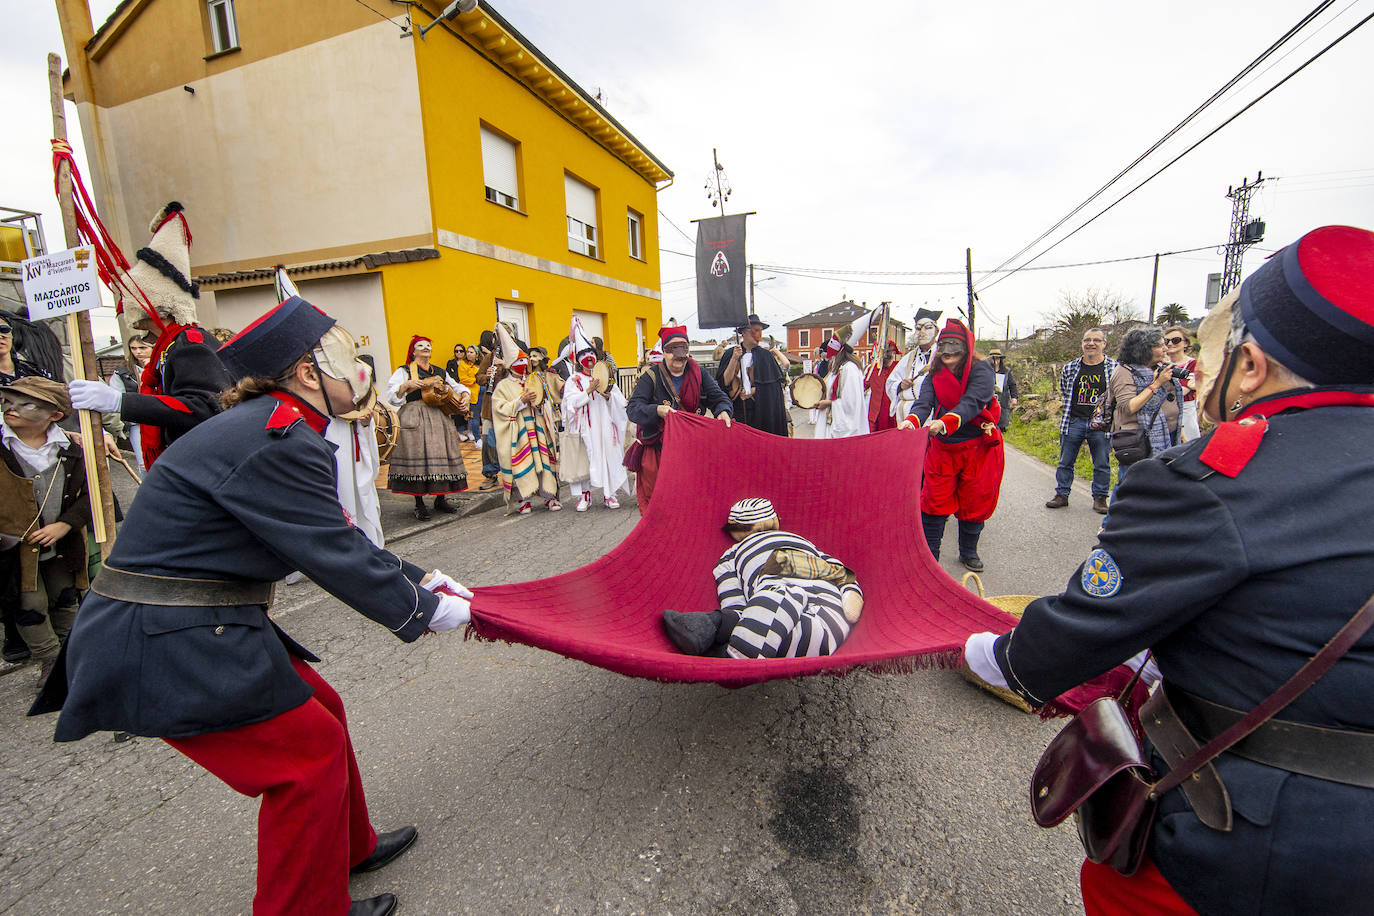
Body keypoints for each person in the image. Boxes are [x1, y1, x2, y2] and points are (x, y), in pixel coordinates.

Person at [963, 224, 1374, 916]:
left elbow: (1058, 645)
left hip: (1244, 854)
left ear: (1251, 367)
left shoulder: (1210, 480)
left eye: (1215, 353)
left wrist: (981, 647)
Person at [33, 296, 474, 916]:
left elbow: (332, 535)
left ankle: (345, 848)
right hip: (165, 632)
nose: (362, 367)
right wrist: (424, 610)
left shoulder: (283, 423)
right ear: (307, 373)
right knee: (303, 760)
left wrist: (424, 579)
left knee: (326, 708)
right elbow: (329, 550)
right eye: (346, 357)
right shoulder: (280, 436)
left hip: (199, 617)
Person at [67, 203, 234, 470]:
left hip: (206, 462)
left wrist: (119, 401)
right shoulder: (169, 345)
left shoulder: (190, 344)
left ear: (155, 301)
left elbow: (204, 407)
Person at [661, 498, 862, 658]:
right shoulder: (732, 554)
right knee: (772, 601)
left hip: (823, 618)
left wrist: (850, 592)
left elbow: (837, 568)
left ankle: (729, 652)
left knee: (783, 594)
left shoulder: (798, 540)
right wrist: (733, 617)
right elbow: (731, 589)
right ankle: (712, 628)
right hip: (778, 633)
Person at [0, 378, 92, 693]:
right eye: (8, 400)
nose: (11, 408)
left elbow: (92, 494)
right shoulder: (3, 446)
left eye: (26, 403)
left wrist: (65, 524)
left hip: (60, 543)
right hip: (12, 550)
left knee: (64, 597)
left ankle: (70, 656)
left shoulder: (72, 450)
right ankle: (49, 660)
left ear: (53, 415)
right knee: (29, 603)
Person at [898, 319, 1004, 572]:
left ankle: (968, 551)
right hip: (944, 447)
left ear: (965, 347)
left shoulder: (982, 370)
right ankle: (929, 557)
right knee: (933, 501)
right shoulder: (935, 373)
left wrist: (944, 422)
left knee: (975, 501)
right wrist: (911, 422)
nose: (947, 352)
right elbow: (924, 402)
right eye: (943, 346)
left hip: (978, 446)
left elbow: (972, 402)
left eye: (953, 345)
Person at [625, 324, 733, 509]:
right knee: (659, 508)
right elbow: (633, 409)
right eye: (672, 351)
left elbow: (719, 398)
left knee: (692, 505)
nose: (678, 359)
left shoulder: (699, 373)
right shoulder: (650, 377)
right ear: (664, 352)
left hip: (691, 451)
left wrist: (723, 411)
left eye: (682, 353)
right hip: (659, 452)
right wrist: (657, 410)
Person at [384, 335, 468, 520]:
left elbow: (457, 386)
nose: (425, 348)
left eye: (428, 346)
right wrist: (407, 384)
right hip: (414, 416)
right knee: (417, 457)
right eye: (420, 345)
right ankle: (419, 503)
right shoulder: (405, 370)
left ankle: (440, 499)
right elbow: (391, 394)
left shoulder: (439, 371)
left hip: (438, 416)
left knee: (441, 455)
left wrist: (465, 396)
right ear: (413, 351)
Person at [1046, 327, 1116, 514]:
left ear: (1104, 344)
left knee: (1101, 462)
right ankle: (1062, 494)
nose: (1091, 343)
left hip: (1101, 424)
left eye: (1096, 340)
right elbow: (1064, 390)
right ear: (1082, 343)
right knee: (1065, 461)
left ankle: (1100, 498)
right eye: (1087, 340)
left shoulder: (1113, 368)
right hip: (1074, 421)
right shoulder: (1070, 367)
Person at [491, 331, 561, 515]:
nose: (523, 364)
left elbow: (545, 402)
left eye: (525, 361)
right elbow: (499, 409)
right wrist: (520, 401)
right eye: (518, 362)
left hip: (537, 427)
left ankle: (549, 496)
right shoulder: (503, 386)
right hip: (519, 430)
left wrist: (539, 401)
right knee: (523, 463)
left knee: (544, 461)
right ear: (510, 365)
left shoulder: (534, 379)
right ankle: (525, 499)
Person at [560, 337, 630, 511]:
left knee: (608, 455)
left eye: (591, 353)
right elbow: (570, 403)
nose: (589, 357)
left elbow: (618, 398)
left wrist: (608, 397)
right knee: (584, 459)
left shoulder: (604, 374)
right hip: (584, 426)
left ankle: (609, 494)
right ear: (578, 359)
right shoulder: (573, 380)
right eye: (584, 354)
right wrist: (588, 391)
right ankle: (585, 495)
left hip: (604, 425)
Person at [1109, 327, 1180, 493]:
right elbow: (1129, 407)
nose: (1165, 348)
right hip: (1137, 441)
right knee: (1129, 487)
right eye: (1160, 345)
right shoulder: (1124, 372)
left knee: (1155, 488)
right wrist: (1156, 384)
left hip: (1165, 436)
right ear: (1143, 349)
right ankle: (1115, 518)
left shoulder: (1160, 368)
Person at [716, 314, 789, 437]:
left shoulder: (766, 356)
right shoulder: (731, 353)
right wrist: (734, 359)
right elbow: (724, 383)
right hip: (738, 411)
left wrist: (755, 391)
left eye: (760, 331)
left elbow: (775, 388)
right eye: (755, 331)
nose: (758, 335)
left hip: (762, 413)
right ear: (744, 332)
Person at [106, 335, 153, 472]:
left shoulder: (162, 365)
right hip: (137, 422)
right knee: (144, 463)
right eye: (133, 348)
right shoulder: (123, 372)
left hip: (163, 417)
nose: (138, 352)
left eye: (142, 347)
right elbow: (117, 397)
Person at [886, 308, 941, 422]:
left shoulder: (943, 356)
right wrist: (901, 385)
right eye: (918, 328)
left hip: (933, 414)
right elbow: (890, 383)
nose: (922, 332)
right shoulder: (908, 358)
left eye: (928, 327)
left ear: (936, 332)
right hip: (908, 416)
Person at [813, 333, 866, 439]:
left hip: (842, 428)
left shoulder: (850, 369)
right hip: (831, 421)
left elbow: (851, 402)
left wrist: (828, 403)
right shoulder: (838, 368)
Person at [1163, 325, 1199, 442]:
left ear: (1186, 343)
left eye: (1176, 340)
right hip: (1164, 412)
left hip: (1186, 411)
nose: (1170, 344)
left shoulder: (1193, 364)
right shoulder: (1161, 363)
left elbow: (1183, 391)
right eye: (1166, 341)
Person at [865, 340, 902, 432]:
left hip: (892, 415)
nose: (886, 355)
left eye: (889, 351)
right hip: (874, 416)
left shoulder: (899, 367)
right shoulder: (872, 369)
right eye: (883, 351)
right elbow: (861, 387)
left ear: (894, 352)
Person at [444, 344, 474, 442]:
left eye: (461, 351)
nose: (459, 353)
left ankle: (470, 430)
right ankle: (460, 432)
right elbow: (450, 377)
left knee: (469, 411)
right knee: (457, 410)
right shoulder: (451, 363)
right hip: (456, 388)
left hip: (467, 387)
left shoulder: (467, 363)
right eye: (456, 351)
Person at [987, 348, 1019, 432]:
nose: (995, 361)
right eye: (993, 359)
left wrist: (1014, 397)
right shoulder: (985, 371)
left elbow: (1012, 385)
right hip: (989, 399)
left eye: (997, 358)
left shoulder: (1006, 371)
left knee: (1001, 422)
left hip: (1003, 399)